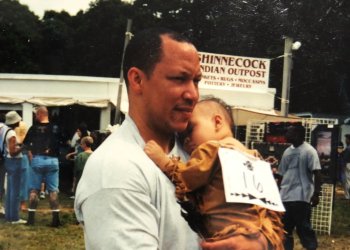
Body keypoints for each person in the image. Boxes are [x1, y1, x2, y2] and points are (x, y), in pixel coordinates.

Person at [75, 27, 271, 250]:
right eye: (179, 79)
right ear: (137, 80)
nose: (192, 94)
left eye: (196, 81)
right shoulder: (115, 170)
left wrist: (261, 242)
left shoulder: (197, 149)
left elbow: (265, 221)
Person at [144, 97, 284, 249]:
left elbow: (186, 178)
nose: (187, 141)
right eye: (183, 138)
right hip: (256, 235)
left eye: (190, 129)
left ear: (217, 122)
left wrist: (163, 160)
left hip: (225, 235)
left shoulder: (213, 149)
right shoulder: (254, 157)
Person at [278, 124, 322, 250]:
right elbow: (281, 174)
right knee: (285, 230)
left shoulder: (309, 151)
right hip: (286, 196)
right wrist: (277, 191)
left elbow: (317, 173)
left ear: (297, 135)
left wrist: (316, 194)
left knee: (303, 228)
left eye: (289, 133)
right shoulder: (287, 152)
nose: (286, 135)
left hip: (302, 197)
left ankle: (311, 247)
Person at [23, 106, 61, 227]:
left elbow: (26, 145)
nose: (35, 116)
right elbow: (63, 141)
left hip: (37, 160)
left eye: (36, 114)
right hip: (53, 161)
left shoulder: (34, 128)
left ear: (40, 114)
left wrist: (31, 156)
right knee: (53, 191)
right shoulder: (56, 127)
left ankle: (31, 219)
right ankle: (55, 220)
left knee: (34, 190)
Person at [3, 111, 26, 224]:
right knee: (15, 191)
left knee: (10, 190)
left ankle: (9, 216)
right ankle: (15, 217)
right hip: (14, 161)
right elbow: (12, 152)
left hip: (8, 161)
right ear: (15, 121)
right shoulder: (12, 133)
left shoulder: (6, 131)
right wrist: (23, 147)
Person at [342, 135, 350, 200]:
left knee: (347, 181)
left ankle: (347, 196)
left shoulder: (348, 148)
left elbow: (345, 158)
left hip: (348, 164)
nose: (345, 140)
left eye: (346, 139)